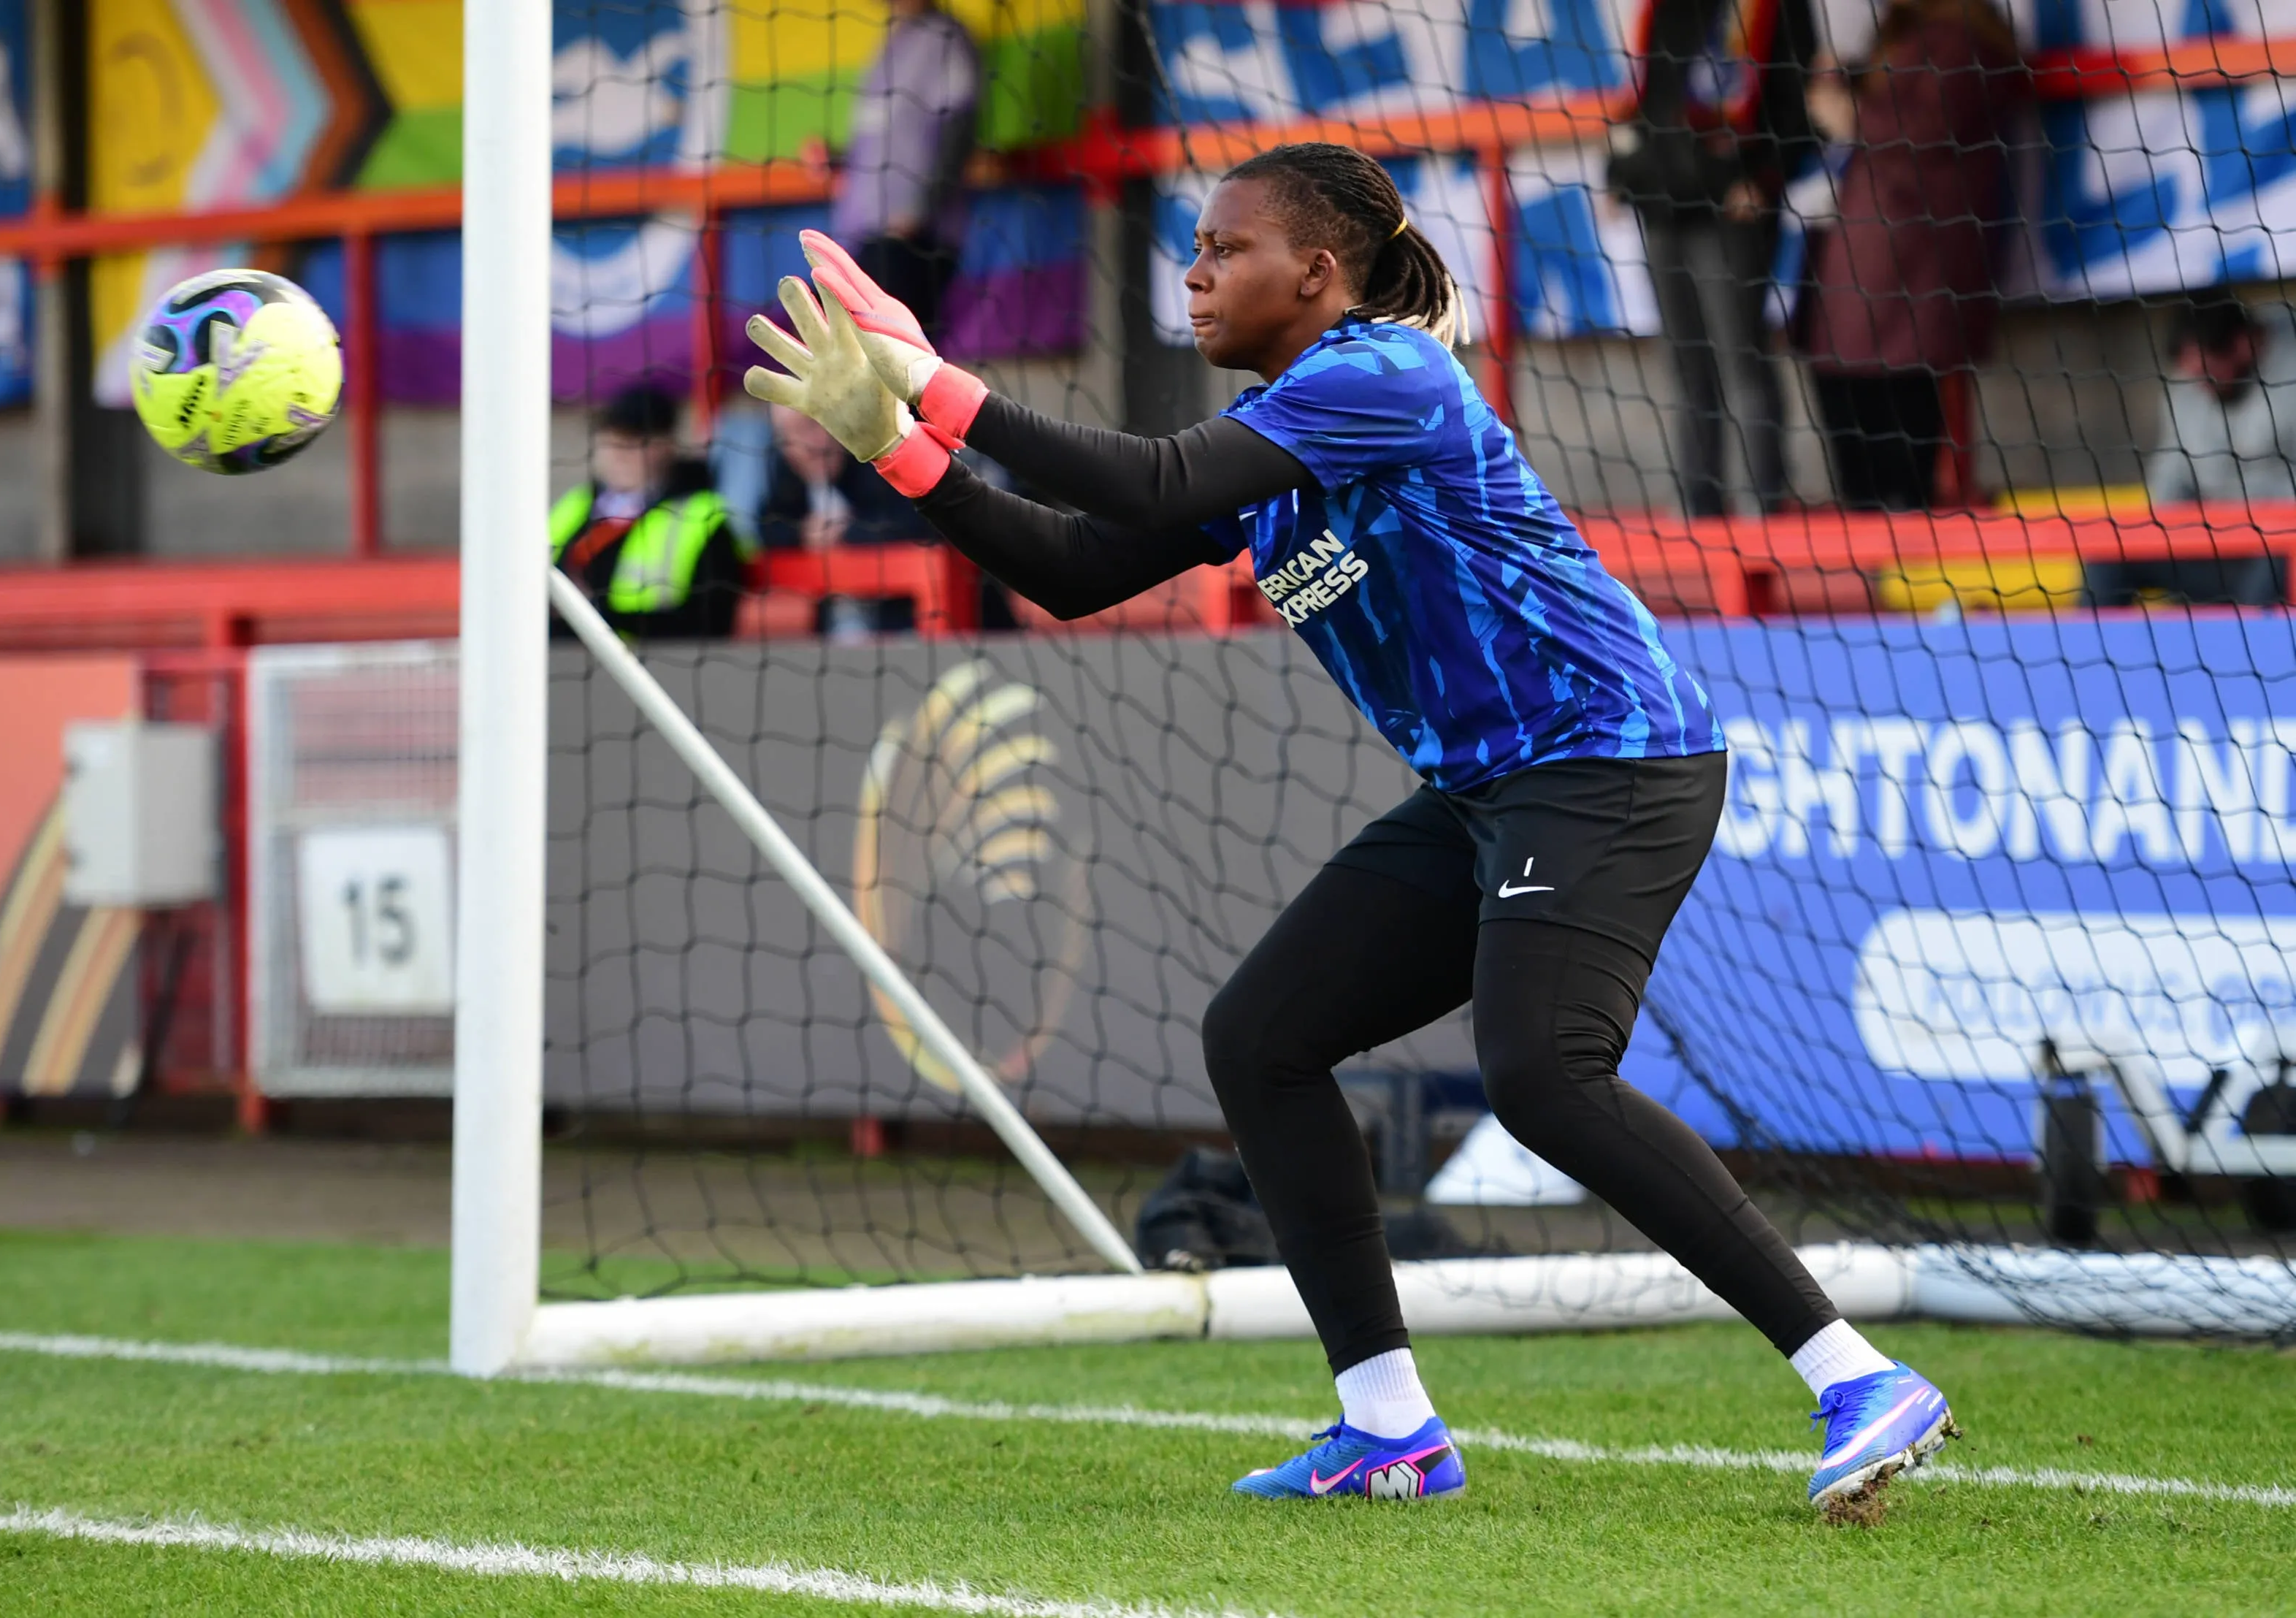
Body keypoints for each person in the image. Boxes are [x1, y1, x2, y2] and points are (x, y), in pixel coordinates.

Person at [741, 148, 1955, 1512]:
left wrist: (933, 383)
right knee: (1259, 1040)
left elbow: (1141, 481)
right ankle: (1388, 1428)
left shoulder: (1388, 375)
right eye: (1190, 249)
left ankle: (1857, 1375)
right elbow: (1076, 571)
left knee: (1543, 1073)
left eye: (1222, 250)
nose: (1190, 276)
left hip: (1607, 757)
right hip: (1486, 787)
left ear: (1315, 273)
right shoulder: (1275, 439)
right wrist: (898, 449)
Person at [1796, 0, 2024, 511]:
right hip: (1870, 257)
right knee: (1849, 391)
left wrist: (1849, 111)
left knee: (1898, 407)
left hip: (1912, 260)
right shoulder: (1902, 32)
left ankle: (1899, 526)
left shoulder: (1968, 39)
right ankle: (1874, 521)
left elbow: (1926, 124)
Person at [1610, 0, 1818, 515]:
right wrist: (1623, 173)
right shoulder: (1663, 11)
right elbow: (1649, 99)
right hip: (1662, 204)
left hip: (1729, 208)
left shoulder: (1772, 10)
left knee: (1739, 362)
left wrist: (1764, 178)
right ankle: (1695, 513)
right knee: (1685, 369)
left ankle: (1760, 512)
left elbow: (1797, 107)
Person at [2088, 288, 2296, 606]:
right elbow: (2170, 471)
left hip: (2282, 548)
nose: (2199, 385)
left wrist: (2244, 517)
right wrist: (2179, 531)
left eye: (2208, 374)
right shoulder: (2187, 387)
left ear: (2244, 345)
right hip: (2214, 547)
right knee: (2106, 556)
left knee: (2273, 566)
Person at [548, 383, 753, 641]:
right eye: (609, 442)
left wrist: (600, 614)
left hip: (655, 664)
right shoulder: (573, 506)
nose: (618, 455)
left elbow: (711, 621)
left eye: (632, 443)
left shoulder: (703, 517)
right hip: (557, 658)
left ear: (665, 446)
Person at [828, 0, 980, 332]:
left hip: (912, 238)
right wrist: (838, 156)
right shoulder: (891, 43)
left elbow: (960, 128)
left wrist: (919, 210)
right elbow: (885, 137)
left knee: (905, 363)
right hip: (866, 235)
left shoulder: (945, 37)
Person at [761, 403, 934, 637]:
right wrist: (803, 533)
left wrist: (846, 532)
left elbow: (916, 523)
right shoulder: (787, 476)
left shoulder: (881, 455)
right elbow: (767, 528)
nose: (813, 443)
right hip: (833, 630)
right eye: (793, 435)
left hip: (906, 623)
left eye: (816, 425)